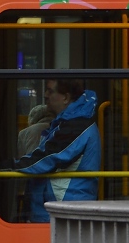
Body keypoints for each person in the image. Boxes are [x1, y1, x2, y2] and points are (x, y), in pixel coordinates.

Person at [14, 80, 101, 222]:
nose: (45, 95)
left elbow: (47, 158)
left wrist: (9, 166)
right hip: (58, 209)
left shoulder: (77, 125)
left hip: (64, 212)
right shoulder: (66, 123)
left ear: (65, 98)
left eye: (50, 91)